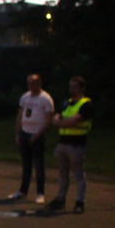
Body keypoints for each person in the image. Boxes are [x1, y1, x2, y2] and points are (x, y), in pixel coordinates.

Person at [46, 76, 93, 214]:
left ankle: (80, 202)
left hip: (76, 143)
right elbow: (56, 118)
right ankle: (60, 199)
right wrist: (62, 121)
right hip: (63, 142)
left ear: (81, 88)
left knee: (78, 173)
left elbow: (74, 121)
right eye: (70, 86)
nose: (71, 89)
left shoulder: (86, 104)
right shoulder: (67, 103)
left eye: (74, 87)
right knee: (62, 173)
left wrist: (61, 121)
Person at [8, 74, 54, 204]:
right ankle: (23, 190)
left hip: (37, 134)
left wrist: (37, 135)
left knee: (39, 165)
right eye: (28, 84)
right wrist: (18, 133)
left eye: (32, 83)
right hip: (25, 132)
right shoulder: (25, 97)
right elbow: (20, 115)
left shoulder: (45, 99)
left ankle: (40, 193)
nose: (29, 86)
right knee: (26, 165)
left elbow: (48, 119)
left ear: (38, 84)